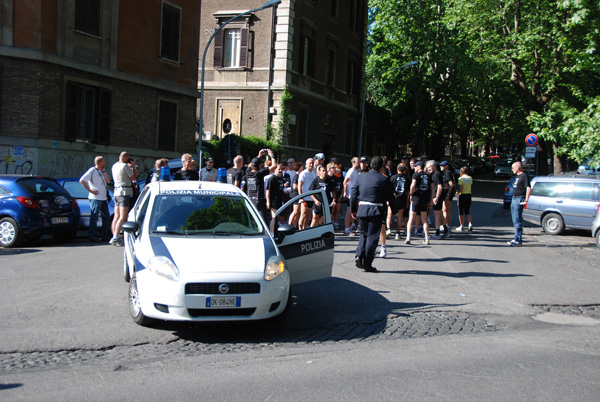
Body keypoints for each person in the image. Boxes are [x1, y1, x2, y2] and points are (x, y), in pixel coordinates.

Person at [350, 156, 397, 272]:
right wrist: (394, 210)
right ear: (382, 166)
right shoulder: (383, 179)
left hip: (363, 208)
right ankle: (367, 264)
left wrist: (353, 209)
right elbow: (391, 196)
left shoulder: (361, 177)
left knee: (363, 234)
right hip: (376, 209)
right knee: (372, 236)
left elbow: (353, 194)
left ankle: (358, 255)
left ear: (371, 164)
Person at [79, 156, 111, 242]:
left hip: (103, 198)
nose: (105, 163)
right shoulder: (92, 170)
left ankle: (105, 235)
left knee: (106, 217)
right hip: (95, 198)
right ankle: (92, 235)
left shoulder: (102, 171)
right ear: (100, 162)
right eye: (104, 161)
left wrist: (104, 171)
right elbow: (82, 180)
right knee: (94, 217)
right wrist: (90, 190)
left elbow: (108, 181)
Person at [110, 151, 137, 246]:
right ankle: (116, 238)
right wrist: (133, 167)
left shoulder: (114, 166)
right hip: (124, 192)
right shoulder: (125, 166)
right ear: (126, 158)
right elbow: (133, 177)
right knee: (123, 216)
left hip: (116, 192)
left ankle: (114, 235)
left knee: (116, 216)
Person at [405, 161, 433, 245]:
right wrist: (431, 200)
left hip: (416, 198)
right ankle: (426, 238)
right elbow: (432, 188)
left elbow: (413, 184)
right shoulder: (428, 176)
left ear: (419, 167)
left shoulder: (416, 175)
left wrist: (411, 194)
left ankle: (408, 237)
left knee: (411, 218)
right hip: (425, 199)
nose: (414, 168)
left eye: (415, 166)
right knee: (424, 219)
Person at [245, 149, 276, 221]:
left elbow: (251, 164)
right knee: (263, 221)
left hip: (250, 199)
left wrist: (259, 155)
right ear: (259, 165)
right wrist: (272, 155)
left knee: (252, 220)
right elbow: (274, 166)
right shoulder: (259, 174)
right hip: (259, 200)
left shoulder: (247, 172)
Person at [508, 161, 531, 246]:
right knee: (514, 220)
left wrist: (526, 199)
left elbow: (528, 188)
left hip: (519, 199)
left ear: (517, 168)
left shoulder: (524, 176)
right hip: (514, 199)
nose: (512, 169)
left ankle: (518, 240)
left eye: (513, 168)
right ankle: (516, 238)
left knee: (517, 220)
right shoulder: (517, 176)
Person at [390, 162, 410, 240]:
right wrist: (407, 201)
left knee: (390, 214)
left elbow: (390, 189)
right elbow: (408, 191)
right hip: (402, 198)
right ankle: (398, 233)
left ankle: (388, 229)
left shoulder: (393, 177)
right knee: (400, 216)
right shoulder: (407, 178)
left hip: (393, 198)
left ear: (398, 169)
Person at [266, 162, 286, 233]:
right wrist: (268, 202)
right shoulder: (272, 179)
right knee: (274, 217)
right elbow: (268, 190)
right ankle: (271, 232)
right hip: (273, 200)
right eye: (278, 169)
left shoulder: (281, 179)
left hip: (280, 200)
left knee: (277, 217)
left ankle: (275, 231)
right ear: (275, 170)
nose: (280, 171)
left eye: (281, 169)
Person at [428, 160, 446, 239]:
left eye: (430, 167)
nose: (429, 169)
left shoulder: (436, 174)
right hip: (437, 197)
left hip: (437, 197)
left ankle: (437, 232)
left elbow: (440, 186)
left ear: (434, 166)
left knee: (437, 214)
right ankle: (445, 229)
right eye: (428, 167)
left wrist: (436, 197)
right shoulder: (435, 174)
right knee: (438, 214)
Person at [343, 157, 360, 235]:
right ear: (353, 162)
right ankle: (347, 228)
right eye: (357, 162)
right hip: (350, 195)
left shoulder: (356, 171)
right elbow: (345, 182)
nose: (359, 163)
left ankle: (350, 227)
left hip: (355, 194)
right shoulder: (351, 171)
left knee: (353, 211)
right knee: (349, 211)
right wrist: (346, 193)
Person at [298, 157, 316, 230]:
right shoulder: (303, 173)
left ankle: (304, 229)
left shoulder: (313, 173)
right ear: (306, 164)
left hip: (311, 198)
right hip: (304, 197)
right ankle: (299, 230)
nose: (311, 165)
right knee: (303, 214)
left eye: (312, 163)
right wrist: (301, 197)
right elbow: (299, 185)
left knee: (308, 215)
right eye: (309, 163)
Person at [456, 166, 473, 232]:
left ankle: (462, 226)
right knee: (467, 211)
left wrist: (458, 192)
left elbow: (461, 188)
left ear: (461, 172)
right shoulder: (470, 178)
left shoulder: (461, 179)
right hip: (468, 194)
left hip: (462, 195)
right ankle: (470, 224)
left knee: (460, 211)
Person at [440, 160, 455, 237]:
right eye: (440, 166)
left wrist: (448, 194)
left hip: (447, 194)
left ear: (446, 166)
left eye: (442, 166)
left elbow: (451, 184)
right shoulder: (447, 173)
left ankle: (446, 226)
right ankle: (446, 225)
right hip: (448, 194)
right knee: (446, 210)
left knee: (445, 210)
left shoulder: (447, 173)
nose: (441, 167)